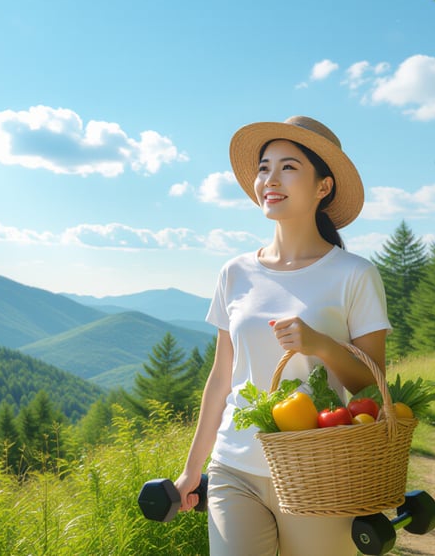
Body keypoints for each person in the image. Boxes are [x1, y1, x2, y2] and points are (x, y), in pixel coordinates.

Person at [173, 115, 391, 555]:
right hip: (234, 466)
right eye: (263, 167)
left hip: (320, 469)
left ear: (323, 187)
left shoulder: (355, 275)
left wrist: (320, 345)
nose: (270, 179)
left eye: (288, 167)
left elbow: (371, 385)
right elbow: (221, 378)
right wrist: (192, 468)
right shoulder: (234, 272)